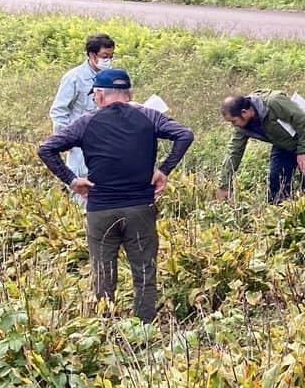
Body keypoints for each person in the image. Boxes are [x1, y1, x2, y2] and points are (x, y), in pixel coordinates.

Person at [38, 68, 194, 323]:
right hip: (140, 206)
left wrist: (72, 180)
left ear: (99, 95)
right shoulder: (149, 116)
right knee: (144, 270)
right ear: (130, 93)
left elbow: (46, 149)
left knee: (103, 270)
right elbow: (184, 134)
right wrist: (164, 171)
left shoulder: (86, 122)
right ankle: (144, 327)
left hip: (101, 209)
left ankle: (104, 326)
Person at [216, 92, 305, 203]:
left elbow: (301, 120)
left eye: (233, 121)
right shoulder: (242, 127)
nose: (234, 125)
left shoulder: (273, 102)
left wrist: (303, 151)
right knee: (276, 179)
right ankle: (279, 211)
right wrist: (224, 185)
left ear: (244, 112)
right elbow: (234, 152)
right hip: (283, 141)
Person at [49, 32, 116, 193]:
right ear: (92, 55)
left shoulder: (111, 77)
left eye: (111, 56)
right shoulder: (74, 78)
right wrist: (65, 140)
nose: (108, 61)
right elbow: (59, 111)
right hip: (80, 144)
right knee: (82, 188)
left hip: (106, 141)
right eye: (104, 56)